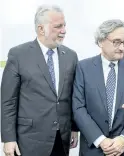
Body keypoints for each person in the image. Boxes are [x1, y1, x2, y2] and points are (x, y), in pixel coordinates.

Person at [1, 5, 78, 156]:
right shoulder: (18, 55)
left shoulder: (71, 56)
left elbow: (73, 97)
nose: (64, 30)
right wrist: (8, 139)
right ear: (41, 29)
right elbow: (8, 101)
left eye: (64, 25)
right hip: (28, 140)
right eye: (58, 26)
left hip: (61, 139)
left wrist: (74, 128)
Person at [72, 19, 124, 156]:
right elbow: (78, 107)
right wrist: (101, 140)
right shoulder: (83, 67)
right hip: (93, 149)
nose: (122, 47)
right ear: (101, 42)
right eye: (116, 42)